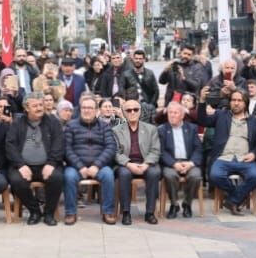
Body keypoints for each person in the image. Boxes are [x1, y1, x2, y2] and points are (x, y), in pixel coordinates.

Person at [4, 92, 64, 225]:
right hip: (24, 165)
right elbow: (10, 145)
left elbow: (58, 144)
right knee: (16, 180)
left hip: (47, 164)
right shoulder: (18, 123)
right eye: (35, 105)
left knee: (57, 177)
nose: (39, 108)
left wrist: (51, 163)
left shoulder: (53, 122)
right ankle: (34, 211)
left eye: (41, 105)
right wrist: (20, 165)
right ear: (26, 108)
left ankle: (49, 213)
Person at [206, 89, 256, 217]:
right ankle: (237, 198)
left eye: (239, 100)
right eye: (233, 100)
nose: (236, 103)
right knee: (215, 175)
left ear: (245, 103)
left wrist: (254, 154)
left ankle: (232, 201)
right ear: (230, 102)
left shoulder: (255, 122)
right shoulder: (221, 115)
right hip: (224, 157)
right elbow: (203, 121)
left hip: (245, 158)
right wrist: (200, 101)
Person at [62, 94, 117, 224]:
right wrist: (80, 166)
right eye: (84, 107)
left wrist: (96, 165)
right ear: (80, 109)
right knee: (68, 176)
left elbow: (111, 147)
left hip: (99, 166)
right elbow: (66, 149)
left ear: (96, 111)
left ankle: (108, 211)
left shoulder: (104, 126)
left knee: (109, 175)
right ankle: (70, 213)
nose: (87, 110)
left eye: (90, 108)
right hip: (76, 167)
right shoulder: (71, 126)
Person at [111, 97, 160, 226]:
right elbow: (115, 152)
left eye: (135, 109)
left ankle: (150, 212)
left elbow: (155, 150)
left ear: (140, 111)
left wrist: (146, 164)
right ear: (124, 112)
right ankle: (126, 212)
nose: (132, 112)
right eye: (128, 110)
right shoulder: (116, 130)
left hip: (145, 163)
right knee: (124, 174)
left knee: (154, 173)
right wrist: (128, 163)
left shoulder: (151, 129)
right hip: (126, 164)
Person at [158, 99, 203, 219]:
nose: (172, 115)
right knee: (169, 175)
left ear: (182, 115)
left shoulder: (192, 128)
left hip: (189, 161)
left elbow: (198, 149)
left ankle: (187, 204)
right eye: (170, 113)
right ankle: (174, 204)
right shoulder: (162, 130)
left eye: (175, 113)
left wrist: (191, 163)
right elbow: (161, 151)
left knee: (195, 176)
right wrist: (173, 164)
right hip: (171, 163)